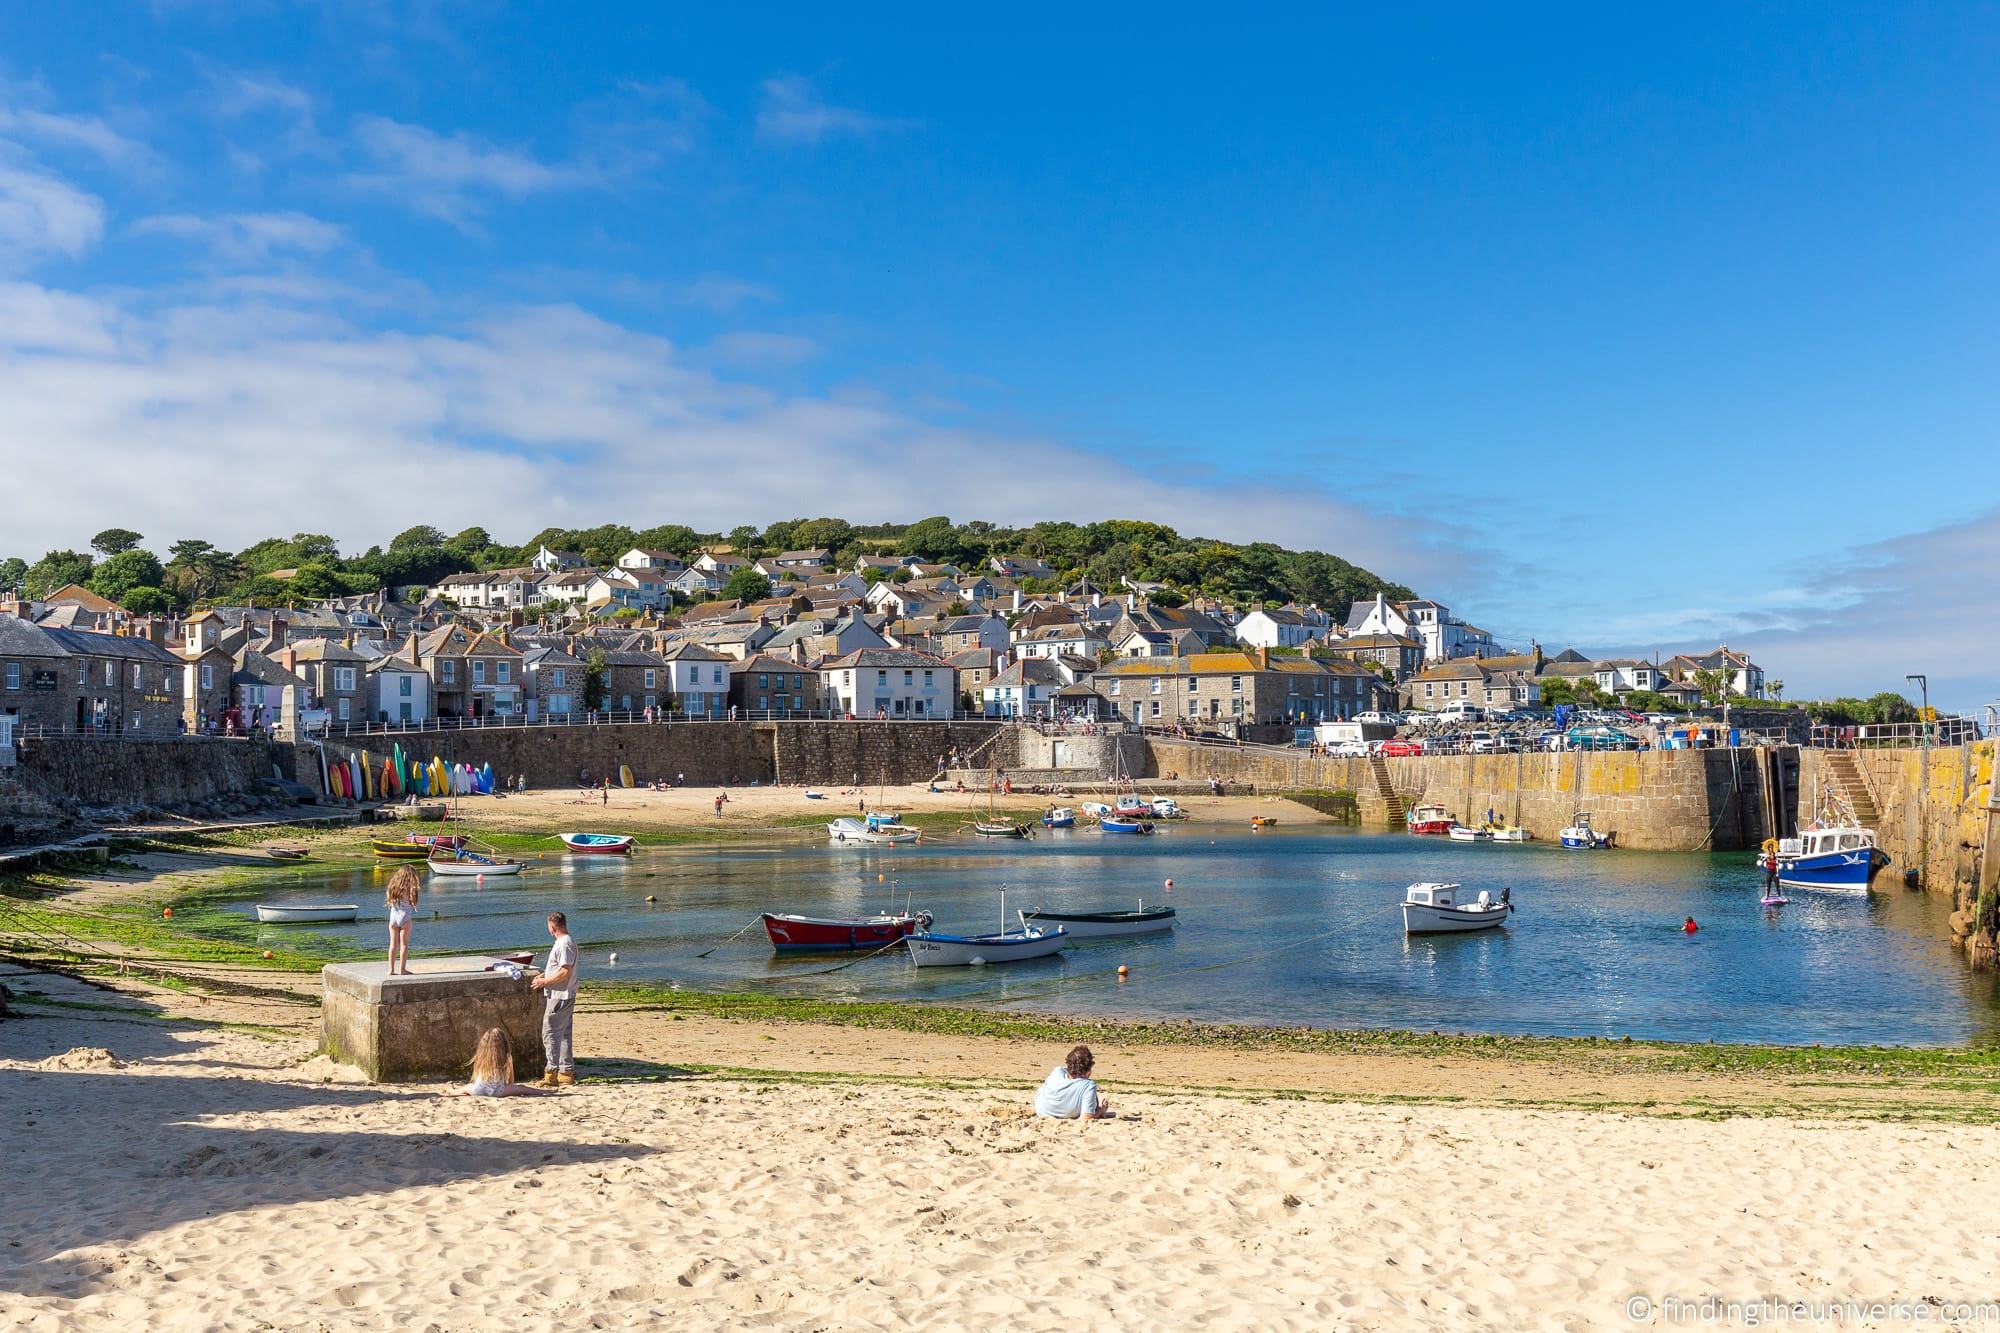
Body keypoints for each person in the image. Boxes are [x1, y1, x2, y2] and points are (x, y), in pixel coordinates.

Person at [530, 911, 578, 1087]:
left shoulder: (564, 944)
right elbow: (561, 968)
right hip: (564, 993)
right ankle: (566, 1072)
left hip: (560, 995)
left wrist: (544, 982)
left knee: (549, 1033)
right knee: (564, 1034)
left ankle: (551, 1073)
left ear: (552, 927)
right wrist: (546, 974)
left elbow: (566, 971)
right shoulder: (565, 942)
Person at [1034, 1045, 1113, 1120]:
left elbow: (1072, 1070)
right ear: (1089, 1069)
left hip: (1042, 1111)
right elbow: (1086, 1118)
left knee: (1043, 1089)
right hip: (1063, 1114)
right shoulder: (1088, 1085)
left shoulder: (1057, 1071)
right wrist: (1101, 1110)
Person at [463, 1027, 546, 1097]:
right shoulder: (507, 1057)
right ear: (504, 1043)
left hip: (478, 1090)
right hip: (499, 1091)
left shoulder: (480, 1056)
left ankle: (453, 1092)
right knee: (522, 1088)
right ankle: (545, 1092)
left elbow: (475, 1077)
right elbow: (511, 1083)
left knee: (466, 1087)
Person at [384, 866, 419, 975]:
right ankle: (402, 969)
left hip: (393, 917)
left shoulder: (393, 885)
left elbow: (389, 900)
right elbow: (414, 902)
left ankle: (391, 969)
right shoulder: (410, 887)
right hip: (405, 917)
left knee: (393, 945)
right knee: (404, 945)